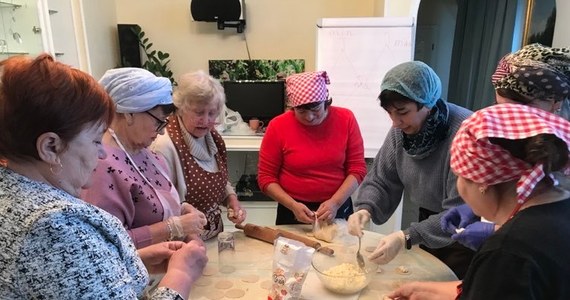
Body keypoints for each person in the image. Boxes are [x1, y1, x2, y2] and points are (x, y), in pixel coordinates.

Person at [0, 54, 207, 298]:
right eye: (96, 140)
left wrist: (129, 258)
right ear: (50, 147)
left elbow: (65, 279)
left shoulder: (14, 194)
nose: (101, 153)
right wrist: (181, 274)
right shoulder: (53, 226)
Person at [388, 103, 570, 299]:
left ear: (482, 183)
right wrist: (426, 291)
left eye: (459, 176)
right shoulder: (559, 207)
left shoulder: (506, 255)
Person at [347, 61, 474, 279]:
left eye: (402, 112)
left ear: (427, 103)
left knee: (449, 285)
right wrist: (365, 208)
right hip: (429, 220)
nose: (395, 122)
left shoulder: (465, 131)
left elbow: (460, 211)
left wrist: (406, 236)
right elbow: (382, 179)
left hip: (464, 233)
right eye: (389, 113)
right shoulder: (401, 131)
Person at [441, 43, 570, 251]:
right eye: (501, 107)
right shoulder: (502, 127)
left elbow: (555, 228)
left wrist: (500, 230)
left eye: (521, 109)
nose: (509, 119)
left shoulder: (561, 143)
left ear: (555, 101)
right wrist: (480, 205)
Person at [83, 68, 207, 249]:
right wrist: (172, 227)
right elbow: (107, 243)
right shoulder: (103, 166)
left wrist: (180, 211)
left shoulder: (147, 154)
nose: (162, 131)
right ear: (129, 113)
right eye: (158, 122)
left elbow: (149, 209)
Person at [257, 71, 367, 225]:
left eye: (316, 109)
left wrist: (335, 202)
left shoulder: (346, 119)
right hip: (292, 209)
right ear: (292, 107)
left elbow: (357, 169)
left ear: (326, 101)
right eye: (301, 111)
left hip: (338, 205)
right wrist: (292, 205)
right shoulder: (278, 126)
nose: (309, 117)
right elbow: (266, 178)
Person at [151, 70, 246, 241]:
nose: (206, 120)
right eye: (199, 113)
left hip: (214, 237)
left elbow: (219, 177)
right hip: (183, 245)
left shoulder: (212, 137)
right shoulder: (164, 146)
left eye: (212, 113)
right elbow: (162, 208)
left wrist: (232, 199)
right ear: (181, 109)